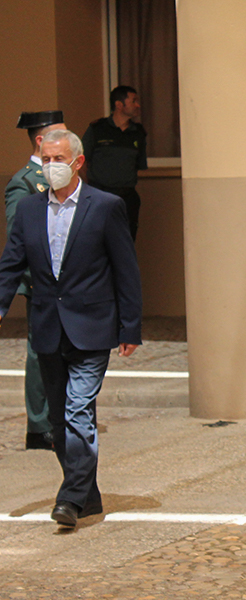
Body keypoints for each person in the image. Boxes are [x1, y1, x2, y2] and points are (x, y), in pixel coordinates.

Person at [0, 129, 142, 527]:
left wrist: (129, 326)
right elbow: (11, 263)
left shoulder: (106, 206)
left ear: (77, 162)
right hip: (47, 325)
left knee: (79, 412)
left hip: (93, 326)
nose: (50, 167)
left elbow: (125, 270)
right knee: (59, 421)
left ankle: (69, 499)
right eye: (44, 159)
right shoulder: (29, 209)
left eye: (57, 159)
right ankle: (89, 495)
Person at [6, 110, 66, 450]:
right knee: (38, 352)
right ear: (41, 141)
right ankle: (39, 425)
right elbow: (20, 241)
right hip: (42, 285)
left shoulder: (60, 179)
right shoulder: (24, 183)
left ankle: (56, 418)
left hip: (65, 283)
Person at [82, 85, 146, 240]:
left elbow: (138, 165)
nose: (138, 105)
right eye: (133, 101)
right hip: (100, 195)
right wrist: (89, 187)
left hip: (126, 197)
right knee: (98, 241)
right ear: (119, 105)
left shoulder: (138, 133)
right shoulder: (98, 129)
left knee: (126, 241)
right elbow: (81, 160)